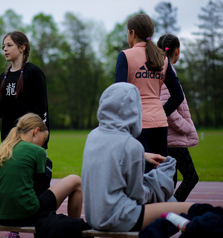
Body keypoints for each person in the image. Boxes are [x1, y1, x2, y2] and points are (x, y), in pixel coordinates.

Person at [82, 82, 194, 232]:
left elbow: (111, 157)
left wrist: (142, 156)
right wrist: (160, 177)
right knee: (188, 209)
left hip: (94, 217)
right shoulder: (131, 145)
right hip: (120, 218)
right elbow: (139, 196)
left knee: (173, 206)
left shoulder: (93, 136)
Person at [0, 113, 83, 237]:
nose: (42, 145)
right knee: (76, 180)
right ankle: (75, 231)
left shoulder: (1, 150)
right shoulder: (37, 151)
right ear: (36, 131)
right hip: (27, 216)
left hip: (1, 216)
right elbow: (40, 190)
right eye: (43, 140)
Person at [114, 14, 184, 172]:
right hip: (160, 124)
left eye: (127, 32)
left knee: (139, 178)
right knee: (159, 176)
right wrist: (160, 111)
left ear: (133, 33)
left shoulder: (125, 55)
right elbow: (178, 95)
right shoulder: (163, 58)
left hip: (136, 125)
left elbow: (118, 94)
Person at [158, 34, 199, 202]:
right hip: (173, 139)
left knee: (171, 181)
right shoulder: (166, 71)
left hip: (168, 138)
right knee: (191, 177)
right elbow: (168, 111)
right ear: (178, 52)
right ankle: (169, 210)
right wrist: (187, 128)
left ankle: (165, 212)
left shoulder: (161, 69)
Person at [0, 31, 50, 149]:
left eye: (9, 45)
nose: (5, 49)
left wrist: (42, 136)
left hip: (30, 137)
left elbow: (42, 107)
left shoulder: (34, 72)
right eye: (3, 46)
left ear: (22, 48)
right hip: (8, 139)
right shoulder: (3, 77)